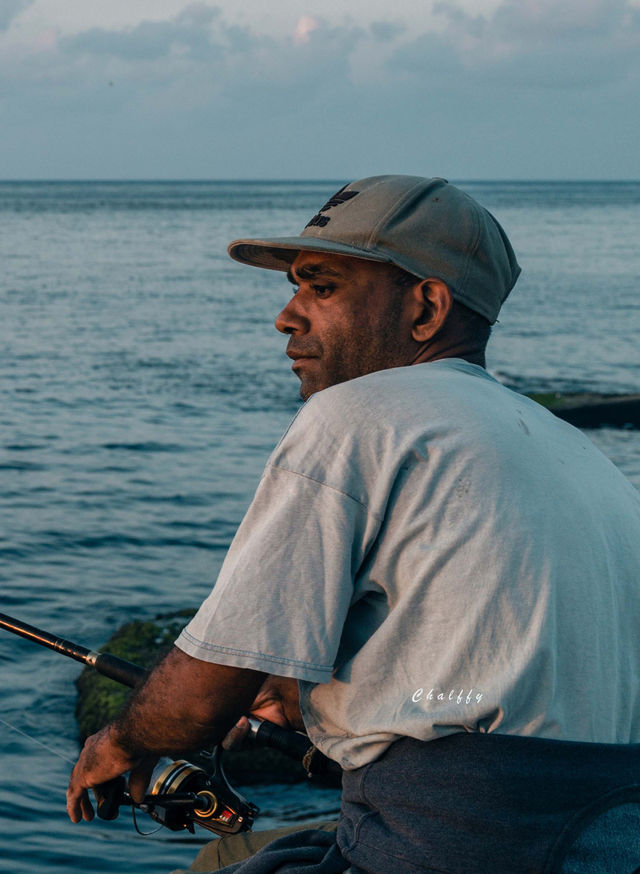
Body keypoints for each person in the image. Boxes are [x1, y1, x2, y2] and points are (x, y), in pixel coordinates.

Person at [67, 176, 640, 873]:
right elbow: (493, 672)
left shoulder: (356, 416)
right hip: (609, 836)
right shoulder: (580, 455)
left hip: (453, 843)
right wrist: (313, 696)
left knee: (220, 863)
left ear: (426, 307)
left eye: (321, 286)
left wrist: (120, 744)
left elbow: (199, 699)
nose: (286, 315)